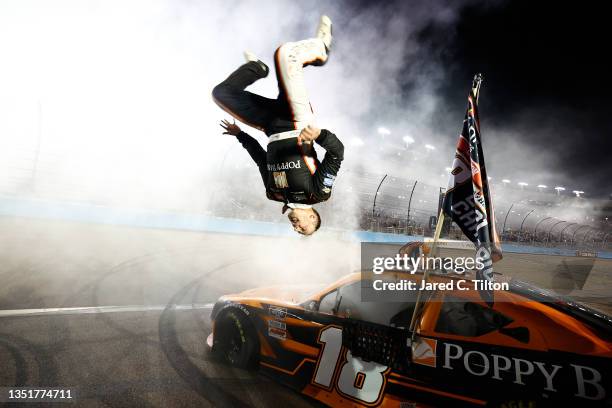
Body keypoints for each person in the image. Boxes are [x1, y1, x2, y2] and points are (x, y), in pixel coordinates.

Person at [212, 15, 344, 236]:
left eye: (296, 230)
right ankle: (321, 48)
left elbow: (260, 159)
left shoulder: (274, 194)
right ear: (313, 216)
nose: (297, 228)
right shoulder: (319, 194)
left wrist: (239, 134)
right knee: (286, 55)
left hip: (270, 127)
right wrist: (320, 135)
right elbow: (337, 154)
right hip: (295, 120)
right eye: (305, 228)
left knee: (221, 94)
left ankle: (256, 68)